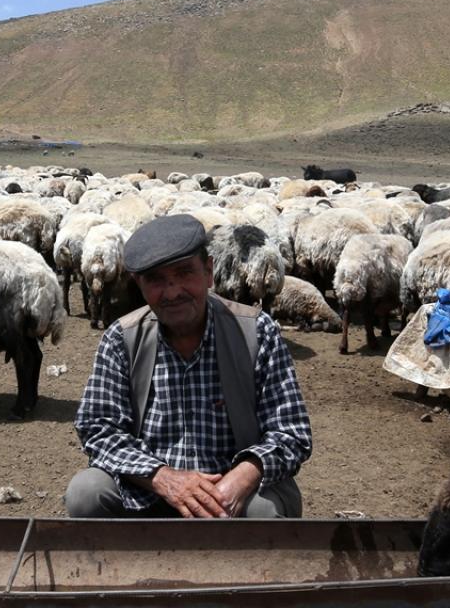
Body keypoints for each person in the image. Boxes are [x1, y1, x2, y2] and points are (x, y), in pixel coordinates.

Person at [65, 214, 312, 518]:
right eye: (156, 280)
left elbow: (291, 431)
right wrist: (162, 478)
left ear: (209, 272)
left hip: (231, 492)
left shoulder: (256, 332)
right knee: (86, 493)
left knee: (264, 512)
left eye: (184, 273)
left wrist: (243, 477)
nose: (172, 292)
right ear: (139, 285)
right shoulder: (122, 338)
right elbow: (98, 428)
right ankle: (119, 565)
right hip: (149, 490)